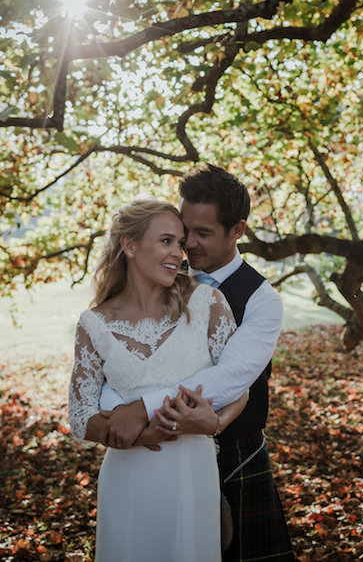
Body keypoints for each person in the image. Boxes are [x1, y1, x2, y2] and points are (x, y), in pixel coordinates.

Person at [100, 164, 296, 561]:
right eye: (185, 230)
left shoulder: (262, 301)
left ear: (237, 231)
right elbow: (117, 361)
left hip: (237, 458)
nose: (188, 244)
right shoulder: (159, 278)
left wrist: (142, 410)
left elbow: (228, 378)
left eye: (203, 234)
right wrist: (122, 417)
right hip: (159, 458)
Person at [67, 196, 249, 561]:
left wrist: (212, 424)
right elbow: (79, 415)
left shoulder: (208, 304)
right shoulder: (95, 323)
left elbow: (237, 389)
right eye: (166, 241)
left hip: (191, 473)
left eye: (180, 243)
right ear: (130, 246)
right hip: (126, 477)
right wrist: (142, 435)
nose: (179, 254)